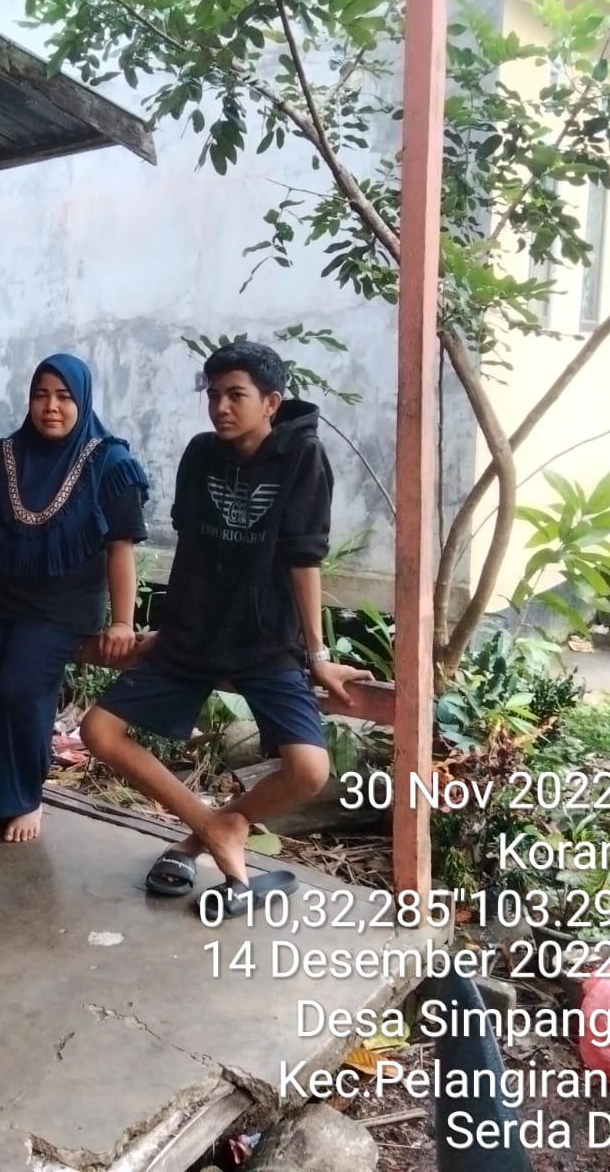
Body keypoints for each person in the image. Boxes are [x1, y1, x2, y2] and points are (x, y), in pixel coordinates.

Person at [77, 341, 369, 913]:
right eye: (214, 395)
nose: (221, 407)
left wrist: (316, 652)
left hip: (264, 641)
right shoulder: (201, 454)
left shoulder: (303, 459)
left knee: (309, 769)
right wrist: (165, 623)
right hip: (193, 633)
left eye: (236, 395)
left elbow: (303, 559)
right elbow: (189, 548)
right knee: (98, 731)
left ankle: (200, 838)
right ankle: (214, 827)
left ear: (272, 402)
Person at [0, 354, 149, 843]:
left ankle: (22, 798)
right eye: (40, 395)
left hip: (62, 608)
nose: (50, 407)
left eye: (63, 397)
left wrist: (122, 621)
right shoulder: (6, 457)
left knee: (18, 690)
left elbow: (121, 550)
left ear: (83, 400)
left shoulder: (111, 464)